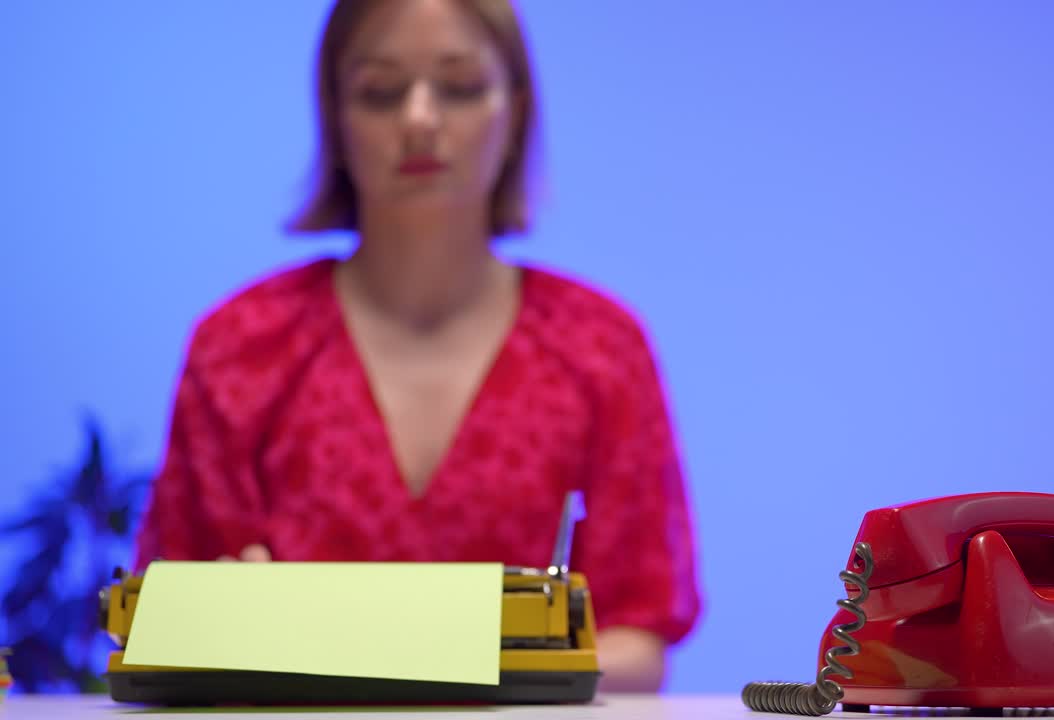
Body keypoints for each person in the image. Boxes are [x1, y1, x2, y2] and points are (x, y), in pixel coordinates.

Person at [132, 0, 700, 692]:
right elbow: (171, 627)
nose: (421, 120)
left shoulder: (602, 347)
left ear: (516, 110)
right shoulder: (239, 347)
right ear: (334, 115)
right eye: (380, 92)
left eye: (459, 88)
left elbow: (637, 642)